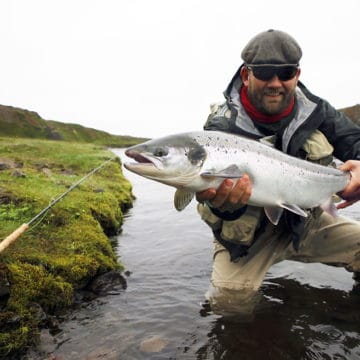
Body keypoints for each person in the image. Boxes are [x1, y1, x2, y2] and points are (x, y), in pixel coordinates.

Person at [196, 29, 360, 315]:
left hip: (306, 223)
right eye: (265, 73)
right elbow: (214, 200)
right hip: (248, 238)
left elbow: (354, 142)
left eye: (284, 73)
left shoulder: (316, 109)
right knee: (228, 306)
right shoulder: (220, 130)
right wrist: (227, 207)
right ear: (246, 75)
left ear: (296, 74)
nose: (275, 83)